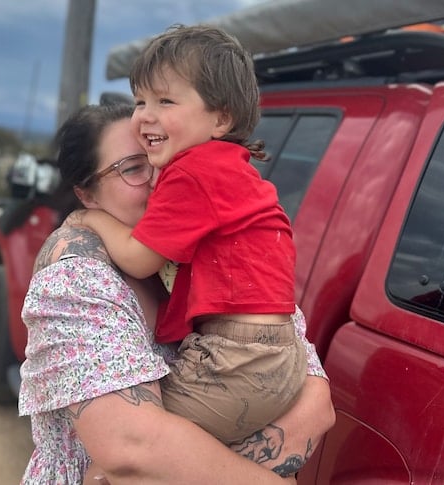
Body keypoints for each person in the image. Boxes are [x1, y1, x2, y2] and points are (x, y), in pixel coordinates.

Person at [19, 103, 334, 484]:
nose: (159, 181)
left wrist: (184, 462)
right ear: (87, 195)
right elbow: (131, 450)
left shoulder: (218, 246)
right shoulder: (76, 277)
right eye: (134, 168)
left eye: (167, 162)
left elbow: (316, 402)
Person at [67, 24, 306, 445]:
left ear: (221, 117)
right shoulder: (228, 167)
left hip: (237, 359)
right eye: (141, 100)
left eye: (166, 100)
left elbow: (141, 258)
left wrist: (92, 220)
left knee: (130, 448)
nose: (145, 115)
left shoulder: (193, 173)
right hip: (277, 355)